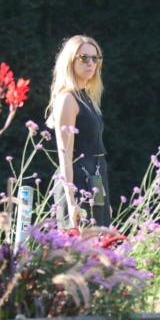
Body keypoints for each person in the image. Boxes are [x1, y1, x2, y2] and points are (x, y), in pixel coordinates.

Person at [46, 35, 110, 230]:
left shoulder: (87, 98)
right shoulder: (67, 99)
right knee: (79, 255)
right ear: (70, 61)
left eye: (95, 58)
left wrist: (104, 202)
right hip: (78, 185)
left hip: (96, 181)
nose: (91, 63)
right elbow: (64, 155)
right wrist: (71, 201)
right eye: (84, 58)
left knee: (100, 252)